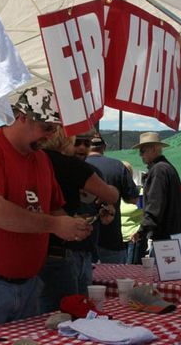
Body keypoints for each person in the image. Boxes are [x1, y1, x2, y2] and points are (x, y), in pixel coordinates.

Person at [0, 87, 93, 328]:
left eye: (55, 128)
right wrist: (56, 224)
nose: (51, 134)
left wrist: (73, 225)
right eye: (47, 127)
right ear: (22, 117)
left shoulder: (42, 159)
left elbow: (55, 207)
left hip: (28, 285)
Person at [38, 127, 119, 313]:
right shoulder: (70, 165)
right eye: (78, 141)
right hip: (62, 252)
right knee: (70, 316)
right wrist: (112, 192)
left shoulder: (35, 160)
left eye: (87, 143)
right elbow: (110, 195)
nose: (82, 147)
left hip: (46, 251)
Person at [86, 134, 139, 263]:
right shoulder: (118, 166)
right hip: (111, 238)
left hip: (82, 238)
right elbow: (133, 199)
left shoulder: (78, 165)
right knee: (114, 282)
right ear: (104, 147)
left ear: (88, 147)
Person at [132, 132, 181, 249]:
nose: (141, 155)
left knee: (163, 266)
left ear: (154, 149)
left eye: (143, 151)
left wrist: (141, 231)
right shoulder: (166, 167)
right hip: (172, 235)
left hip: (164, 238)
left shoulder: (159, 170)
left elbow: (155, 205)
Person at [119, 162, 147, 264]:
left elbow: (148, 214)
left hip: (134, 239)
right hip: (118, 239)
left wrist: (139, 231)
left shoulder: (139, 193)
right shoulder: (115, 193)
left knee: (132, 271)